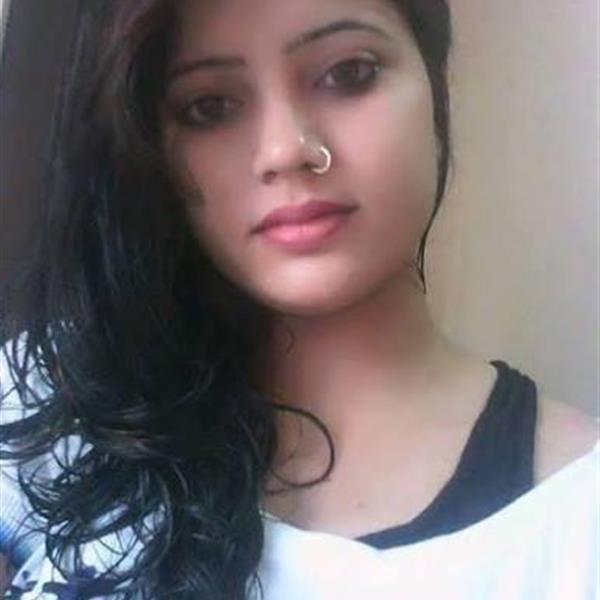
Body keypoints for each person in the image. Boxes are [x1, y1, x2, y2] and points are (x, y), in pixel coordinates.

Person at [0, 0, 598, 598]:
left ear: (435, 82)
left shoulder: (575, 523)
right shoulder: (50, 404)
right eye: (210, 107)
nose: (286, 149)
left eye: (349, 74)